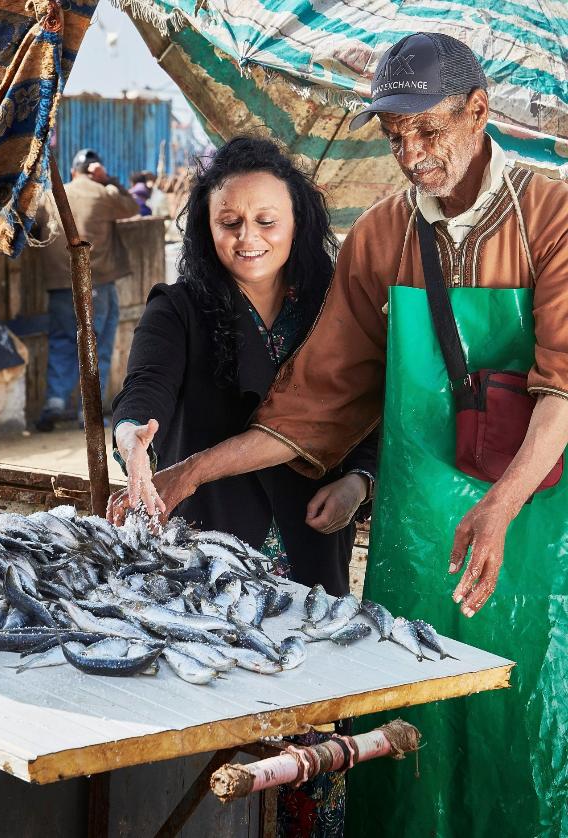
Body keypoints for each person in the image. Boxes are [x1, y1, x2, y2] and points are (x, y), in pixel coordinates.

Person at [138, 34, 568, 837]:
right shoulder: (379, 237)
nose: (412, 153)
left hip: (541, 524)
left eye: (429, 130)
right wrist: (191, 472)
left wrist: (503, 505)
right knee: (414, 732)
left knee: (534, 717)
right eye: (395, 135)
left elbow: (563, 391)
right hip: (417, 532)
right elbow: (315, 403)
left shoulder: (553, 214)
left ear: (480, 112)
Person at [107, 137, 378, 836]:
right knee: (214, 754)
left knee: (313, 746)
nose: (248, 238)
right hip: (207, 565)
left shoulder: (338, 306)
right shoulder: (181, 308)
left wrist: (358, 481)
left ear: (298, 223)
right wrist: (133, 436)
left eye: (267, 221)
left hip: (313, 552)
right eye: (230, 223)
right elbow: (144, 390)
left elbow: (374, 411)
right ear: (205, 225)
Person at [35, 149, 138, 431]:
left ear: (72, 171)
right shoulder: (103, 194)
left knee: (61, 341)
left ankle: (54, 402)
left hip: (59, 285)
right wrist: (111, 181)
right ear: (96, 171)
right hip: (97, 283)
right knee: (97, 346)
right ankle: (87, 413)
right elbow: (133, 207)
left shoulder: (50, 196)